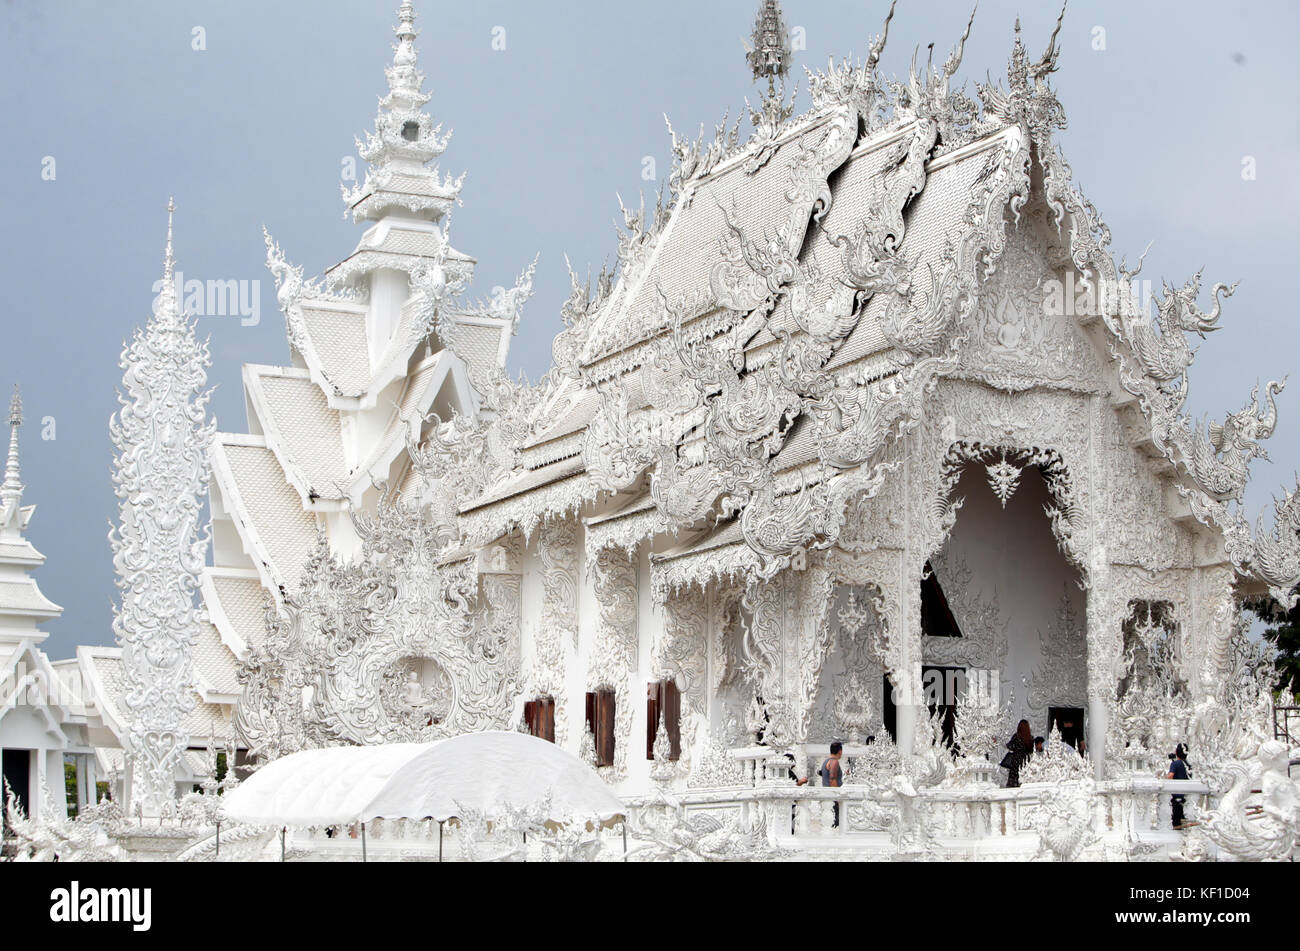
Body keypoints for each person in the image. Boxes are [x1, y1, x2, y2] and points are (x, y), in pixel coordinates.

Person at [818, 741, 845, 828]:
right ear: (840, 751)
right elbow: (832, 779)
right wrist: (837, 796)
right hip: (832, 796)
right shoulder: (834, 762)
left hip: (828, 795)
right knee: (836, 824)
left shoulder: (826, 761)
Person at [1001, 720, 1033, 788]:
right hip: (1026, 761)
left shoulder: (1016, 736)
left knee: (1013, 779)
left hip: (1016, 760)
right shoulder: (1030, 738)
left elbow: (1010, 746)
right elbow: (1031, 750)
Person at [1167, 743, 1190, 829]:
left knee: (1176, 816)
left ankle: (1177, 826)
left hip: (1177, 793)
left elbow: (1171, 775)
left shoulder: (1175, 764)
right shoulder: (1188, 764)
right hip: (1188, 793)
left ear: (1176, 753)